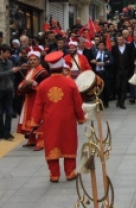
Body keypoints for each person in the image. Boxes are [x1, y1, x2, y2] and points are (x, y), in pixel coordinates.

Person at [31, 51, 86, 182]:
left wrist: (35, 122)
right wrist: (81, 117)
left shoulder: (43, 85)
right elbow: (77, 103)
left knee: (52, 143)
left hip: (50, 120)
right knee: (69, 143)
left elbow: (37, 105)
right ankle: (70, 172)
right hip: (68, 119)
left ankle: (54, 174)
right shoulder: (71, 83)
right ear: (62, 67)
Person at [18, 46, 49, 150]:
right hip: (29, 99)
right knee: (29, 119)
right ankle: (31, 139)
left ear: (38, 60)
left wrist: (33, 83)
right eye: (30, 60)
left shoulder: (42, 72)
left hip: (38, 99)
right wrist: (21, 86)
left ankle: (41, 141)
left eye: (34, 59)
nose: (32, 61)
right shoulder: (30, 71)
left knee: (39, 119)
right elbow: (25, 81)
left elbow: (45, 86)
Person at [0, 44, 20, 140]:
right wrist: (11, 71)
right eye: (6, 53)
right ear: (1, 52)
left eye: (9, 53)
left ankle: (7, 132)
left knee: (9, 112)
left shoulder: (10, 63)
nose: (8, 55)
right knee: (0, 113)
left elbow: (12, 77)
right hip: (0, 90)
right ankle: (1, 132)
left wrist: (13, 88)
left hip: (8, 89)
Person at [91, 41, 114, 108]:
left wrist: (104, 63)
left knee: (105, 88)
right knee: (98, 88)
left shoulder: (108, 53)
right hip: (98, 73)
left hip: (105, 73)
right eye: (99, 45)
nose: (101, 47)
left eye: (102, 45)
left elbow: (111, 61)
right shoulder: (94, 53)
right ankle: (100, 102)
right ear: (97, 46)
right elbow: (90, 60)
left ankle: (106, 102)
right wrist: (93, 61)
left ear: (104, 46)